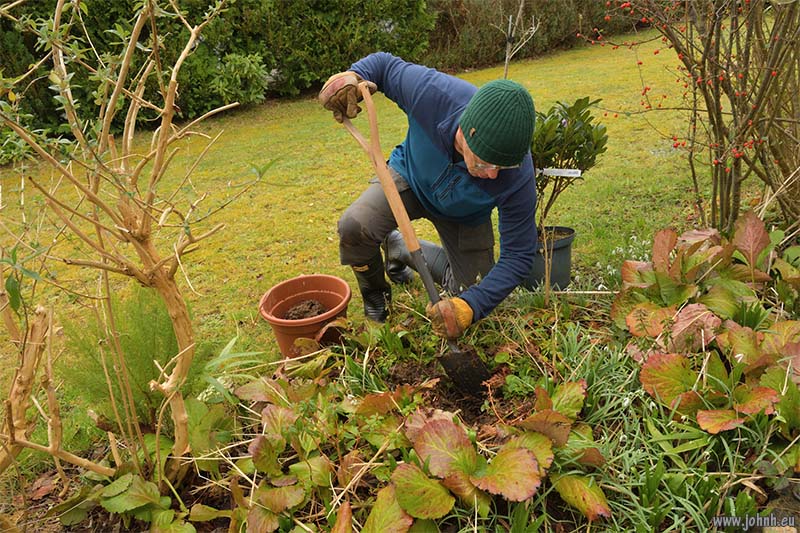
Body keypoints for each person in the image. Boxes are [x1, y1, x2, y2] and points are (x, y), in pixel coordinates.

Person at [318, 52, 537, 340]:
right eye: (485, 163)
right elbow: (383, 66)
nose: (493, 175)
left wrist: (470, 306)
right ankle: (375, 296)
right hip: (409, 177)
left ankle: (401, 248)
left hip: (465, 216)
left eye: (502, 167)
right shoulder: (433, 94)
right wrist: (353, 76)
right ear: (466, 131)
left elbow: (519, 255)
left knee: (470, 292)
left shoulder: (518, 174)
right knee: (355, 225)